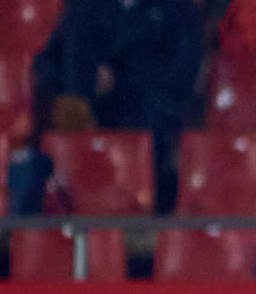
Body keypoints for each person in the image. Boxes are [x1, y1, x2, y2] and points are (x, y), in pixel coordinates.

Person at [32, 0, 204, 213]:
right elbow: (47, 63)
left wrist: (119, 82)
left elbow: (183, 75)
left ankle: (144, 224)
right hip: (87, 124)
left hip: (146, 121)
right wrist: (79, 85)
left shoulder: (177, 9)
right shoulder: (83, 9)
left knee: (156, 123)